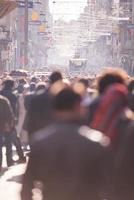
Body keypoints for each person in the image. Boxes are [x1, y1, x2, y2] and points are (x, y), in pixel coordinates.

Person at [21, 88, 111, 200]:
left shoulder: (41, 141)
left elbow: (27, 187)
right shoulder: (95, 142)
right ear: (78, 106)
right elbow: (107, 185)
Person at [0, 95, 14, 168]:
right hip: (3, 126)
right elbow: (9, 114)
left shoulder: (3, 100)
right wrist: (9, 125)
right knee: (7, 144)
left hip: (3, 126)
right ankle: (8, 161)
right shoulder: (4, 100)